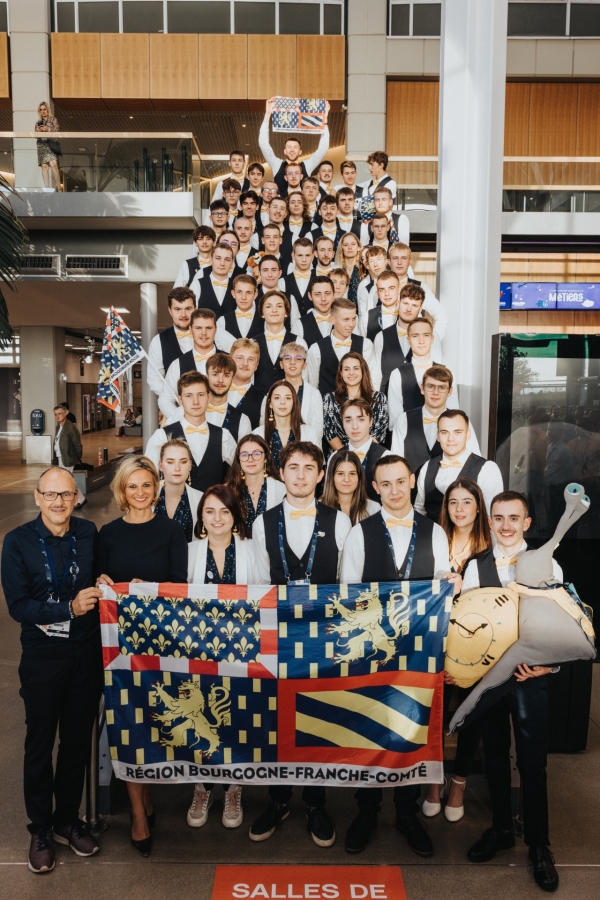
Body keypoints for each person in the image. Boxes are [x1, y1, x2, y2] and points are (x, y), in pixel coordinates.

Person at [340, 455, 455, 857]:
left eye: (399, 482)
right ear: (374, 487)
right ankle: (367, 810)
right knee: (368, 729)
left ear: (411, 482)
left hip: (418, 655)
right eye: (384, 484)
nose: (393, 490)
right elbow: (347, 594)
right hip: (371, 653)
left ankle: (407, 813)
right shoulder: (360, 533)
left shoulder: (435, 532)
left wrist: (449, 584)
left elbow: (443, 587)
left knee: (411, 731)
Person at [2, 466, 103, 873]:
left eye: (66, 494)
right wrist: (66, 609)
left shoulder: (88, 534)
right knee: (40, 744)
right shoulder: (18, 542)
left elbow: (98, 578)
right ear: (37, 496)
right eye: (51, 494)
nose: (59, 502)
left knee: (77, 743)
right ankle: (40, 828)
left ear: (77, 496)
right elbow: (18, 606)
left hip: (85, 654)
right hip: (43, 656)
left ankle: (67, 820)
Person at [250, 442, 352, 847]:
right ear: (281, 472)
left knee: (315, 721)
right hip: (277, 637)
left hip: (321, 640)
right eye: (293, 467)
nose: (301, 475)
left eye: (310, 468)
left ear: (320, 474)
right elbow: (257, 585)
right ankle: (277, 800)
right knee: (277, 721)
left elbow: (349, 585)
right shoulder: (263, 523)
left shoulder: (339, 521)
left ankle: (315, 802)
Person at [461, 491, 561, 893]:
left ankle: (540, 845)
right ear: (490, 521)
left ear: (527, 523)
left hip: (529, 676)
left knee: (533, 763)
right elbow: (465, 621)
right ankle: (502, 828)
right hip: (490, 678)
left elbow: (561, 621)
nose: (505, 525)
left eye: (513, 518)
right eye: (498, 518)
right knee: (496, 757)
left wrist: (548, 664)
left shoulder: (545, 562)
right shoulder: (475, 567)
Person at [96, 456, 188, 857]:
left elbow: (181, 588)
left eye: (146, 485)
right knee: (130, 723)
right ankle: (137, 813)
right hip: (121, 650)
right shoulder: (108, 534)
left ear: (156, 487)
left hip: (161, 646)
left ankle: (147, 796)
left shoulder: (172, 531)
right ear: (121, 491)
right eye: (132, 486)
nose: (139, 493)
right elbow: (98, 581)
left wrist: (149, 588)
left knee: (154, 723)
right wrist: (103, 583)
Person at [186, 484, 257, 832]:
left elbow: (266, 599)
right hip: (198, 654)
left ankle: (233, 787)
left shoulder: (253, 550)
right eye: (210, 511)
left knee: (236, 718)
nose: (217, 518)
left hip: (243, 653)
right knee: (201, 719)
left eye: (225, 511)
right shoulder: (189, 552)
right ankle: (202, 787)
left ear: (236, 516)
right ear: (201, 516)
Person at [422, 478, 492, 822]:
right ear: (445, 507)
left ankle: (460, 783)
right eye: (453, 502)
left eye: (467, 502)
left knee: (469, 715)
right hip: (434, 642)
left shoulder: (490, 546)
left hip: (473, 645)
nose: (460, 509)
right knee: (433, 714)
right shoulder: (433, 539)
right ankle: (433, 781)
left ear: (479, 507)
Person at [148, 372, 236, 492]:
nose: (195, 402)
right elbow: (149, 477)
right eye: (188, 396)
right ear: (180, 400)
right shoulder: (161, 436)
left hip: (213, 508)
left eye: (200, 395)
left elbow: (240, 472)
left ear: (208, 397)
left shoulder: (224, 436)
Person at [415, 410, 504, 520]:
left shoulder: (488, 469)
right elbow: (419, 512)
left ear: (468, 434)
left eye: (457, 432)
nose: (451, 438)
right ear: (438, 436)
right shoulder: (426, 468)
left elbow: (492, 518)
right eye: (444, 432)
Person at [391, 365, 480, 473]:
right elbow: (395, 463)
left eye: (442, 387)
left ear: (450, 391)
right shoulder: (403, 419)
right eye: (430, 386)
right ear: (422, 388)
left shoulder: (461, 421)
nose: (435, 392)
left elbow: (475, 461)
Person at [259, 98, 331, 198]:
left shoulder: (307, 165)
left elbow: (323, 149)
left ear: (300, 151)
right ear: (284, 151)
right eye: (289, 147)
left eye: (295, 147)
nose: (292, 150)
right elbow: (263, 144)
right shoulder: (277, 164)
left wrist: (325, 122)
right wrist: (267, 115)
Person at [306, 298, 379, 396]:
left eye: (354, 319)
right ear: (332, 320)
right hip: (328, 408)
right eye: (346, 319)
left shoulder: (366, 344)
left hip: (359, 405)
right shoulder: (316, 349)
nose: (351, 324)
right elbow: (313, 387)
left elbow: (373, 380)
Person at [160, 308, 221, 418]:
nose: (203, 333)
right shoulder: (177, 364)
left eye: (208, 328)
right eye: (198, 328)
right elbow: (165, 399)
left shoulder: (229, 361)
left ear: (216, 329)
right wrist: (180, 419)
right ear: (190, 329)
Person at [323, 351, 388, 452]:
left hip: (370, 454)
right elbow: (329, 433)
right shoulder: (330, 399)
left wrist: (363, 454)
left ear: (363, 371)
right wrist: (347, 457)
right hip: (340, 455)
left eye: (356, 368)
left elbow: (379, 431)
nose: (351, 373)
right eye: (346, 369)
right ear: (341, 373)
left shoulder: (379, 398)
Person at [226, 433, 286, 530]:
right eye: (244, 455)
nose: (250, 459)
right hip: (238, 544)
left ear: (266, 458)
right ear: (238, 459)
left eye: (256, 454)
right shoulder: (227, 491)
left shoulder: (282, 489)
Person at [254, 380, 318, 470]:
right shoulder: (257, 434)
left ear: (293, 403)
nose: (282, 402)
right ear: (270, 404)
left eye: (288, 398)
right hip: (267, 483)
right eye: (277, 398)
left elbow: (315, 468)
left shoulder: (310, 433)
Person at [147, 287, 196, 401]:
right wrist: (176, 396)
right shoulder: (158, 341)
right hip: (174, 409)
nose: (183, 314)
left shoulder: (211, 335)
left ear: (195, 309)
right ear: (170, 311)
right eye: (177, 309)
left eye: (188, 308)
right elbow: (154, 380)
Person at [253, 291, 305, 396]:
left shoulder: (299, 342)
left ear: (286, 312)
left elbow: (304, 377)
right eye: (268, 306)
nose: (274, 310)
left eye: (279, 306)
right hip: (258, 403)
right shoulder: (252, 343)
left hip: (290, 401)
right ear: (262, 313)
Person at [338, 398, 391, 502]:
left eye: (361, 419)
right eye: (348, 420)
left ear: (371, 421)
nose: (354, 426)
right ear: (343, 423)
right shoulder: (335, 457)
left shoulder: (387, 457)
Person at [269, 342, 324, 442]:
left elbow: (318, 430)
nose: (292, 362)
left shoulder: (314, 394)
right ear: (281, 364)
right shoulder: (273, 391)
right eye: (287, 358)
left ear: (305, 365)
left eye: (298, 359)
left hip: (306, 449)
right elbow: (265, 424)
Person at [385, 314, 437, 419]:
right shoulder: (397, 375)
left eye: (426, 335)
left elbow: (452, 414)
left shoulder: (446, 373)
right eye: (415, 336)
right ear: (408, 340)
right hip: (409, 434)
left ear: (432, 339)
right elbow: (395, 421)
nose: (421, 341)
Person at [155, 439, 203, 542]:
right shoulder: (145, 496)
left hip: (189, 557)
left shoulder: (202, 499)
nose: (177, 468)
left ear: (190, 465)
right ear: (160, 465)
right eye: (170, 462)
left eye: (183, 462)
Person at [322, 449, 381, 524]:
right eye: (340, 474)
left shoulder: (374, 509)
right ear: (331, 477)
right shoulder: (318, 507)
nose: (347, 479)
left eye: (352, 474)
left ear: (359, 477)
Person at [205, 353, 252, 442]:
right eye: (215, 374)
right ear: (207, 377)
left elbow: (244, 454)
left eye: (226, 375)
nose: (220, 380)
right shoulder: (186, 413)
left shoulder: (243, 421)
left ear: (232, 379)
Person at [216, 274, 263, 353]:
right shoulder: (222, 321)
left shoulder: (264, 321)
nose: (243, 297)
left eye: (248, 292)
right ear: (233, 293)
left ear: (255, 295)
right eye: (239, 292)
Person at [53, 405, 85, 508]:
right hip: (60, 457)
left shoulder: (70, 428)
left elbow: (77, 445)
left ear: (65, 413)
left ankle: (80, 499)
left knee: (67, 480)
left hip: (68, 458)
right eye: (55, 414)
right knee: (68, 480)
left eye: (59, 414)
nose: (57, 416)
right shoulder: (58, 427)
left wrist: (77, 458)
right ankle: (79, 499)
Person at [229, 338, 264, 430]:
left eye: (251, 359)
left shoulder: (263, 400)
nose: (245, 363)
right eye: (240, 358)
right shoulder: (214, 391)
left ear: (257, 365)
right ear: (230, 360)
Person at [190, 243, 236, 311]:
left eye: (227, 259)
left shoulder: (237, 286)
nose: (222, 263)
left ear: (232, 262)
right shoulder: (197, 285)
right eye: (218, 258)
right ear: (211, 260)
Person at [359, 270, 401, 342]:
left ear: (399, 290)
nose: (386, 293)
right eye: (382, 290)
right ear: (377, 294)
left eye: (391, 288)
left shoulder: (409, 314)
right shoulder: (366, 317)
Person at [294, 275, 334, 348]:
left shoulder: (345, 319)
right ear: (310, 296)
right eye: (318, 294)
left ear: (333, 294)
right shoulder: (299, 324)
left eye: (327, 293)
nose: (323, 299)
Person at [284, 238, 317, 318]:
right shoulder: (282, 282)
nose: (304, 260)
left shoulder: (320, 281)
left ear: (312, 256)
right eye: (300, 255)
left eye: (307, 255)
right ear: (293, 256)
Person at [35, 102, 61, 191]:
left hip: (51, 144)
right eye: (41, 110)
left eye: (44, 109)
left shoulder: (53, 120)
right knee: (44, 166)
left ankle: (58, 188)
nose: (43, 111)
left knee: (54, 165)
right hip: (42, 145)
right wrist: (38, 131)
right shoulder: (38, 122)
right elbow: (36, 136)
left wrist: (48, 129)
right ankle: (47, 189)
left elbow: (57, 131)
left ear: (47, 110)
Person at [334, 231, 362, 303]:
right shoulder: (335, 269)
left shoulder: (364, 270)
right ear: (342, 248)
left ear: (358, 247)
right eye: (346, 245)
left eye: (353, 244)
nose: (350, 247)